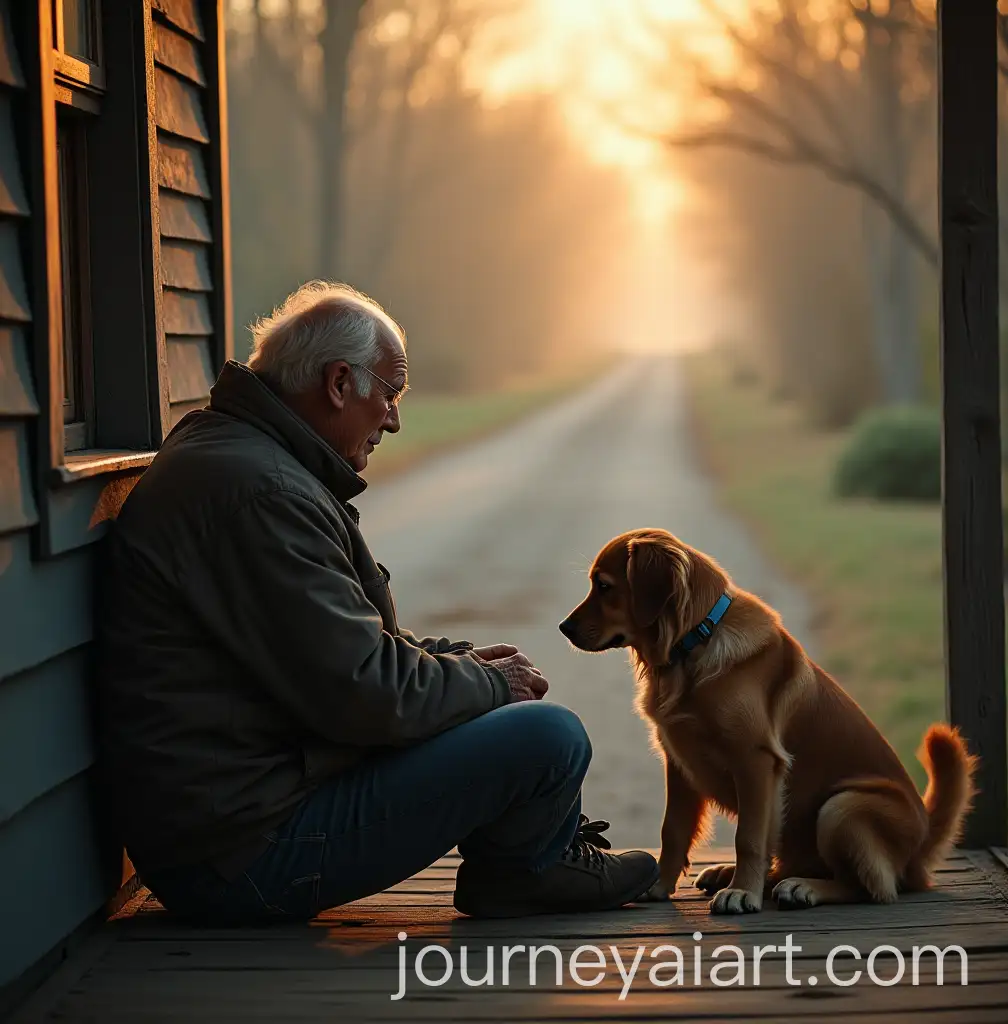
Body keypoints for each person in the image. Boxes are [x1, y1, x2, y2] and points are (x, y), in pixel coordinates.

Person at [96, 281, 657, 924]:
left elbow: (338, 659)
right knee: (547, 735)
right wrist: (485, 685)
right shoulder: (260, 494)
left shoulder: (245, 462)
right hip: (245, 856)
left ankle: (531, 861)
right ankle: (529, 870)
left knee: (485, 702)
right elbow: (367, 695)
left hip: (234, 826)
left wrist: (460, 666)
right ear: (339, 384)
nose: (393, 419)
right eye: (389, 394)